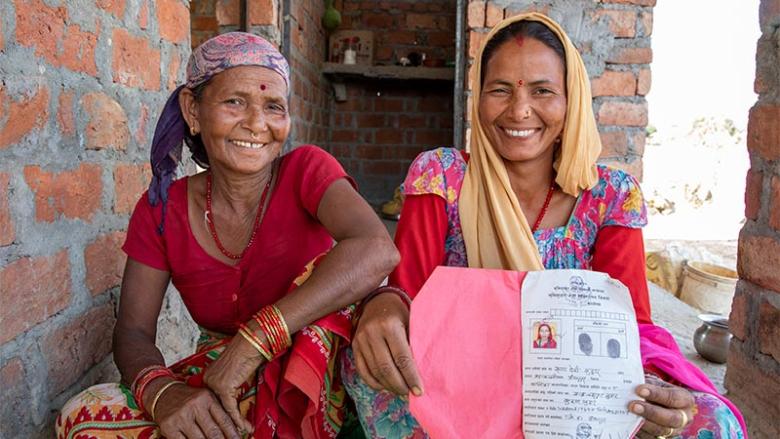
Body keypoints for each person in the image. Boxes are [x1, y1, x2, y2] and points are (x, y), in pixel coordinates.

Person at [342, 13, 747, 439]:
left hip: (567, 392)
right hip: (464, 381)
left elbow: (634, 325)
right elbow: (409, 299)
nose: (520, 110)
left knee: (708, 423)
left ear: (570, 100)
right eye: (499, 90)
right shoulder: (443, 178)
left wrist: (655, 391)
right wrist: (383, 303)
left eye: (543, 91)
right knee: (367, 367)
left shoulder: (609, 196)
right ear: (478, 97)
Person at [56, 32, 398, 439]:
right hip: (226, 386)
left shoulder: (306, 171)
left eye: (273, 107)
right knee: (81, 417)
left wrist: (256, 340)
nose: (257, 124)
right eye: (235, 102)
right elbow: (132, 333)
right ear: (193, 110)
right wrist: (165, 393)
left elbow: (376, 249)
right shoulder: (161, 210)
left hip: (321, 388)